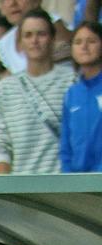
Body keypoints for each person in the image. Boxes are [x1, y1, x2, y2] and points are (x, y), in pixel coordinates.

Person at [0, 11, 74, 175]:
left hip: (66, 183)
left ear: (52, 39)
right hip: (22, 186)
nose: (34, 41)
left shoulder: (72, 82)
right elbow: (2, 145)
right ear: (20, 43)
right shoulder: (3, 89)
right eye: (28, 35)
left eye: (41, 34)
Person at [63, 21, 102, 173]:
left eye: (91, 41)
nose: (84, 47)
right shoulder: (72, 93)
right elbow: (65, 144)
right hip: (77, 181)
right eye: (78, 42)